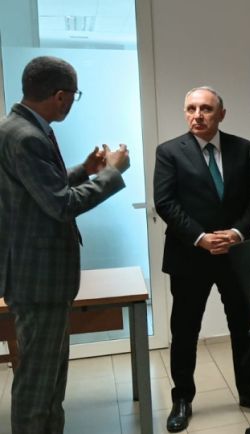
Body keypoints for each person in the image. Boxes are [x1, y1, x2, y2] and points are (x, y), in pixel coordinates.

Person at [0, 55, 129, 434]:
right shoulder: (26, 136)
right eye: (74, 95)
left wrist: (83, 171)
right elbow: (61, 205)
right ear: (60, 96)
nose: (72, 102)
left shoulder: (18, 127)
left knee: (50, 380)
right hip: (39, 281)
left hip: (35, 277)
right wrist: (111, 173)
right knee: (38, 387)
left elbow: (39, 189)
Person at [154, 86, 250, 432]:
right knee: (185, 329)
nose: (197, 115)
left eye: (206, 109)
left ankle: (249, 391)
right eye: (191, 108)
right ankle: (182, 398)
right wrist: (201, 238)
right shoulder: (169, 152)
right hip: (190, 255)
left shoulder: (243, 148)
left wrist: (235, 233)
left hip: (235, 255)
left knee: (244, 326)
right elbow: (165, 203)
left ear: (221, 114)